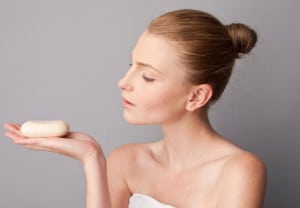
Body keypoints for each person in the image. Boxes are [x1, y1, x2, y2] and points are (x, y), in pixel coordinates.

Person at [4, 9, 266, 208]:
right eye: (132, 66)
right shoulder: (125, 161)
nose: (123, 83)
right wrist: (92, 159)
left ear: (197, 96)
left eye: (148, 76)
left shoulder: (240, 170)